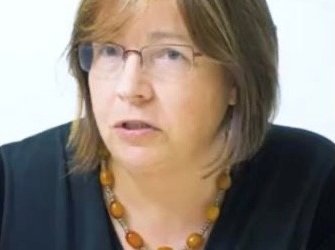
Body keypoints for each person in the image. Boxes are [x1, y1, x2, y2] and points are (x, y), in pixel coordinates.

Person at [0, 0, 334, 249]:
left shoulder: (315, 185)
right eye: (109, 51)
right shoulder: (13, 189)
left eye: (170, 54)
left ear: (237, 78)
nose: (129, 89)